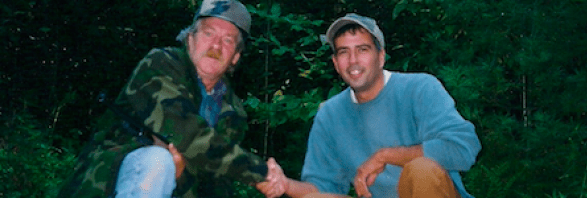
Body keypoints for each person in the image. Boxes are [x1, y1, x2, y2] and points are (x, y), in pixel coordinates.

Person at [57, 0, 285, 197]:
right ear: (190, 39)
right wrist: (261, 173)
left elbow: (218, 185)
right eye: (208, 33)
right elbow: (186, 133)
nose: (216, 46)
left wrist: (183, 174)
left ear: (235, 56)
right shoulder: (160, 65)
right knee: (157, 160)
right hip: (107, 185)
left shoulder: (234, 112)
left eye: (227, 40)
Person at [260, 13, 483, 198]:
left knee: (421, 170)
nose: (353, 60)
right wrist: (284, 184)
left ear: (381, 56)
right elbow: (322, 187)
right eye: (344, 52)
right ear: (336, 64)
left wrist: (384, 156)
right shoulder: (330, 114)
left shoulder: (419, 88)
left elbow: (464, 147)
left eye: (363, 49)